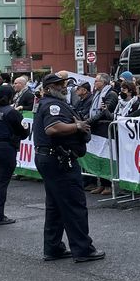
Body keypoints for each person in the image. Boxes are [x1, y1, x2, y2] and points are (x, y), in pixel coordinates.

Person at [34, 73, 104, 263]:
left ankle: (53, 247)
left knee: (56, 205)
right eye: (59, 85)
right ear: (49, 88)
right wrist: (77, 126)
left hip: (52, 159)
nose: (64, 87)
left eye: (64, 84)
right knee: (74, 205)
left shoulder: (51, 102)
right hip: (59, 160)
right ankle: (82, 249)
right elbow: (53, 128)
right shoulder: (52, 105)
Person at [0, 84, 28, 225]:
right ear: (11, 97)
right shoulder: (11, 112)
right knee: (1, 183)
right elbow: (23, 133)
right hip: (5, 149)